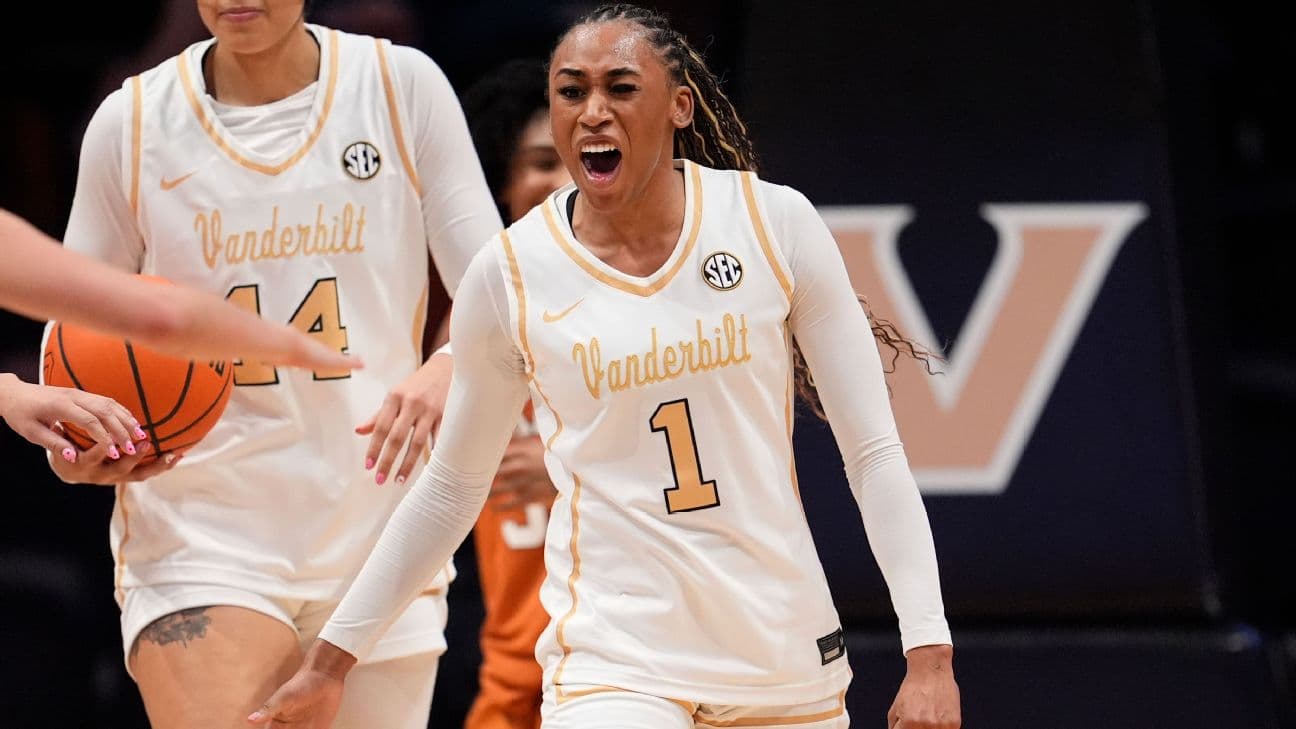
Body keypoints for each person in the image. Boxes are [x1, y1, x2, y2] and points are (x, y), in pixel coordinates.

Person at [254, 4, 961, 729]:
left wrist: (928, 652)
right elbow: (450, 489)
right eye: (571, 91)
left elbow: (872, 453)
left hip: (779, 650)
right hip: (614, 662)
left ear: (680, 105)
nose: (593, 112)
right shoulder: (511, 273)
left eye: (620, 88)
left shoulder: (773, 223)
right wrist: (331, 658)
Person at [55, 0, 501, 726]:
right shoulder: (130, 125)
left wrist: (451, 362)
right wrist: (77, 444)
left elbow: (498, 285)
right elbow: (70, 338)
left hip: (381, 530)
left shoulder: (399, 86)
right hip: (202, 532)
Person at [458, 57, 572, 729]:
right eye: (538, 162)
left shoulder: (657, 311)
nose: (559, 180)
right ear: (502, 182)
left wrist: (566, 471)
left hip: (629, 668)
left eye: (577, 159)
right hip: (513, 673)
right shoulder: (469, 318)